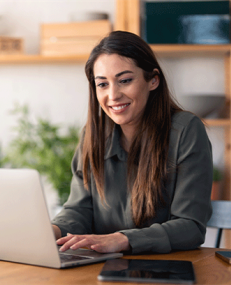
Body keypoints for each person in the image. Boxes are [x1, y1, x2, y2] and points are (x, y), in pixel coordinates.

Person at [51, 31, 213, 254]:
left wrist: (122, 239)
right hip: (101, 267)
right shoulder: (92, 135)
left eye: (125, 81)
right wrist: (53, 231)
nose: (113, 95)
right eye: (102, 84)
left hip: (164, 270)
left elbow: (191, 226)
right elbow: (79, 210)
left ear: (153, 80)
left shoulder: (186, 131)